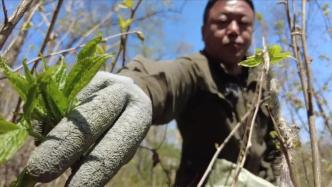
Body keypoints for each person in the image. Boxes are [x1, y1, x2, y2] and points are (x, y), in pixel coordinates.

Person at [26, 0, 281, 186]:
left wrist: (275, 179)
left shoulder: (263, 82)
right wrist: (134, 87)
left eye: (243, 23)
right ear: (204, 32)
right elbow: (164, 79)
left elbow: (274, 145)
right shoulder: (196, 69)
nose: (234, 29)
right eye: (223, 22)